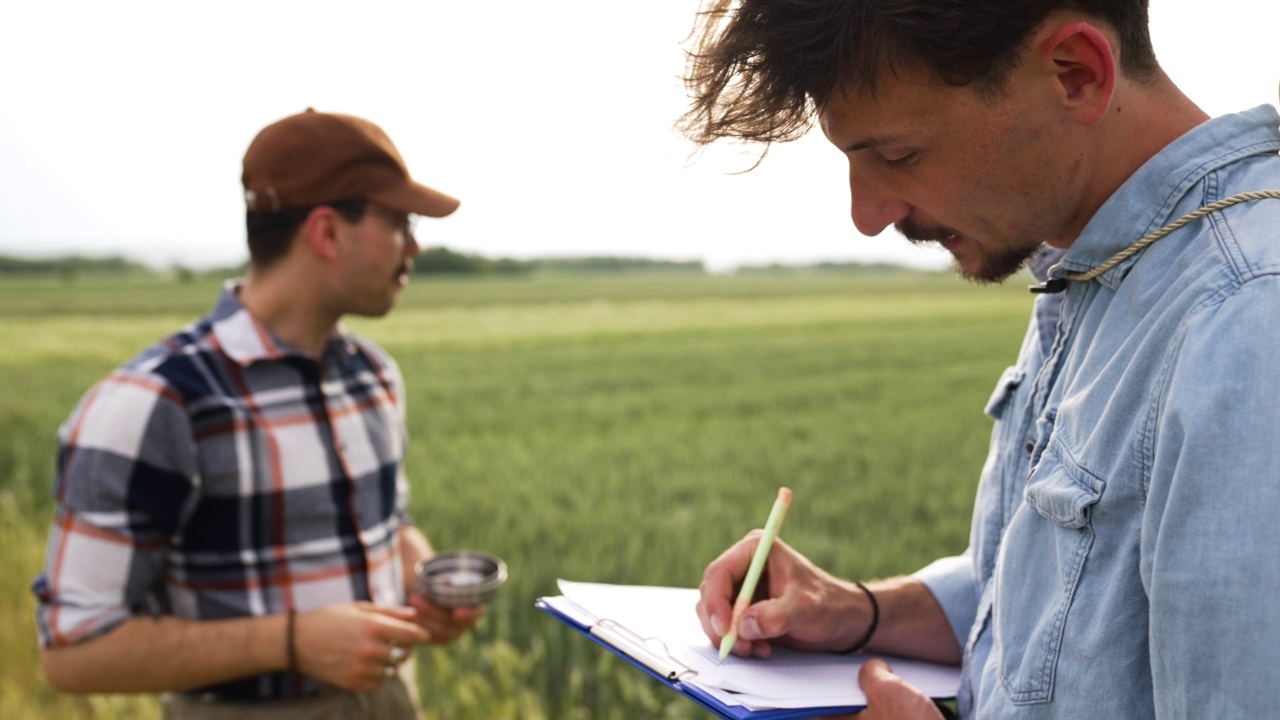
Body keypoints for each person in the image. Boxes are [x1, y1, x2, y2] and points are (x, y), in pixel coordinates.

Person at [680, 1, 1280, 718]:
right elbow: (1060, 612)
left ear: (1075, 73)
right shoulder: (1092, 261)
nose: (867, 214)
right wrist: (861, 611)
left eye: (900, 155)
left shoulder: (1245, 320)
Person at [32, 108, 481, 718]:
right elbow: (74, 651)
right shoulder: (154, 404)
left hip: (392, 701)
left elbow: (390, 525)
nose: (415, 246)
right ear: (327, 233)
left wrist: (424, 581)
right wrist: (293, 642)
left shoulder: (372, 376)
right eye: (399, 222)